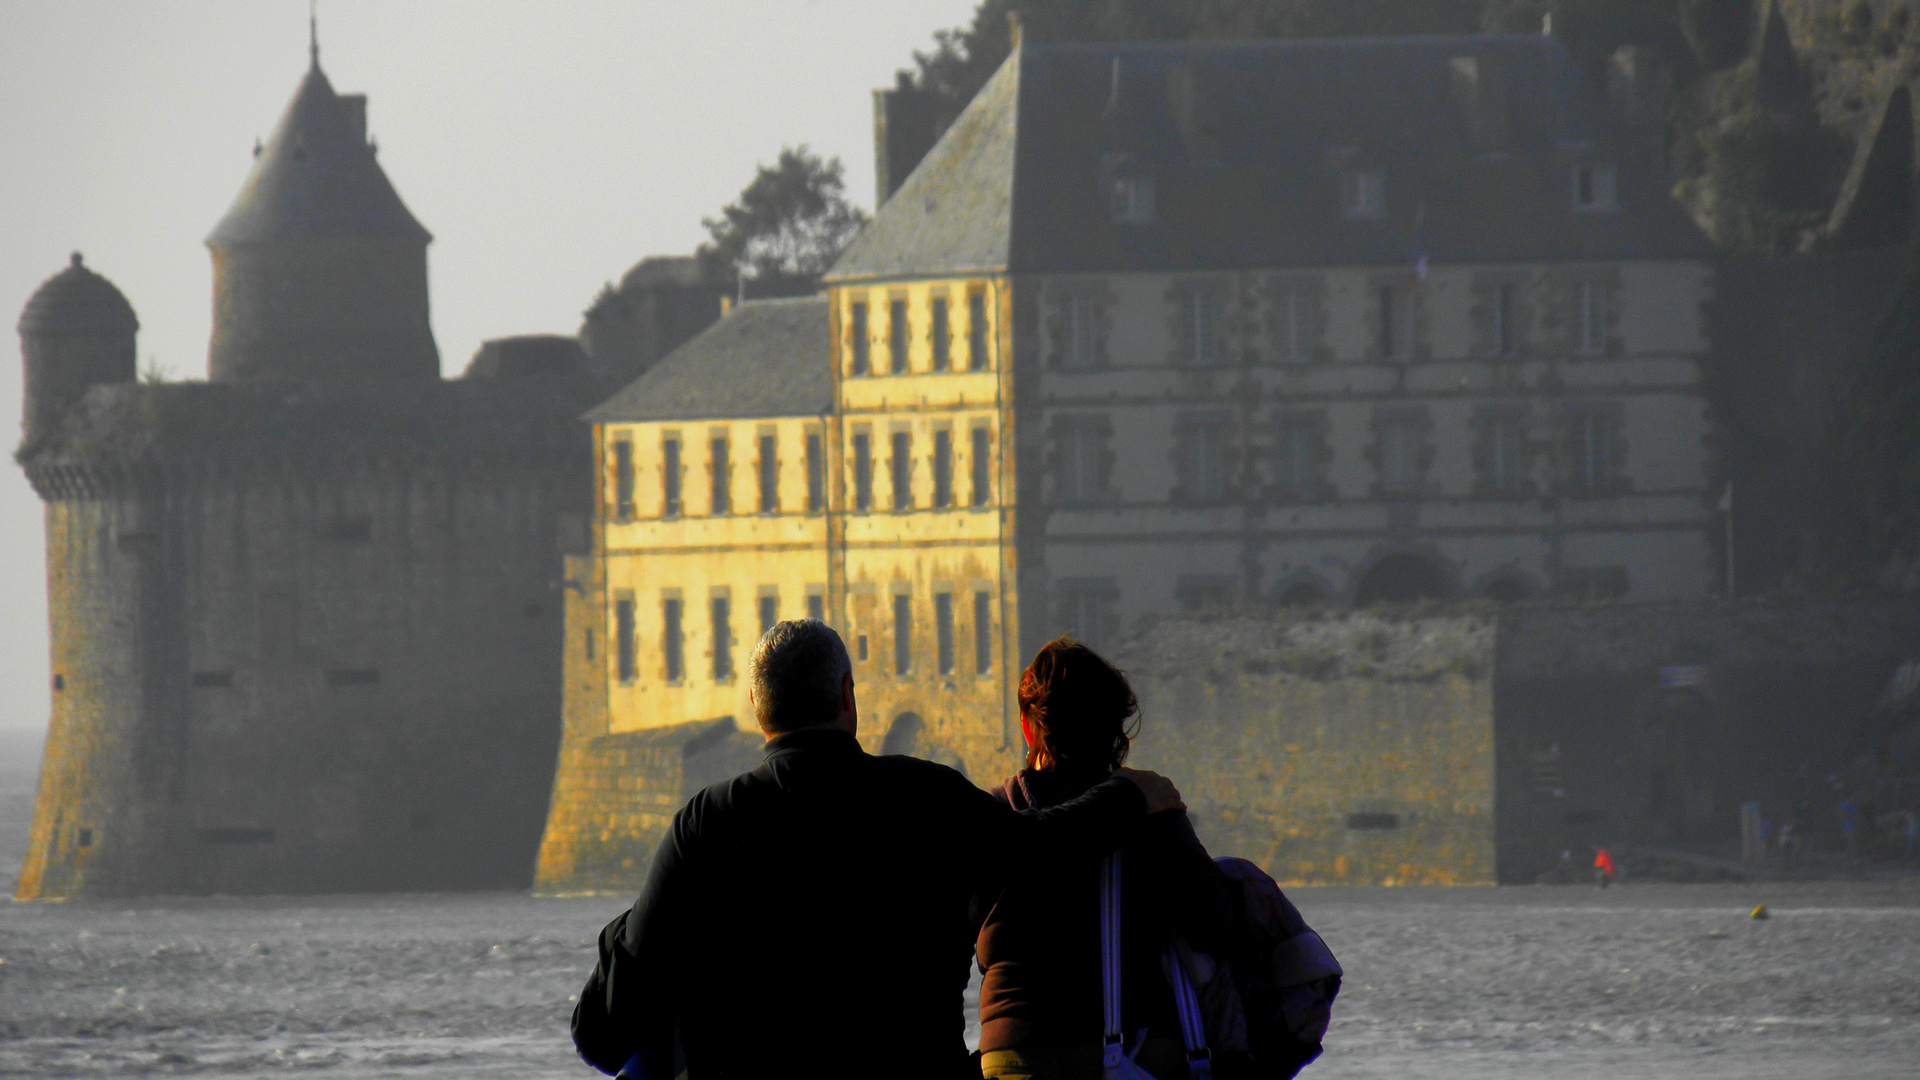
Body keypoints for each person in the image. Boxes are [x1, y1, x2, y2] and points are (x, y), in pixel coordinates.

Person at [571, 620, 1187, 1080]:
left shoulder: (706, 825)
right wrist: (1128, 796)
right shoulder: (925, 795)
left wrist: (622, 935)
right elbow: (1041, 848)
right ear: (848, 697)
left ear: (759, 710)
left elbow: (604, 1033)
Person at [974, 636, 1234, 1080]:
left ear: (1027, 726)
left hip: (1017, 1052)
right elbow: (1217, 923)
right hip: (1139, 1049)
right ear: (1115, 729)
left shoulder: (994, 814)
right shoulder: (1153, 809)